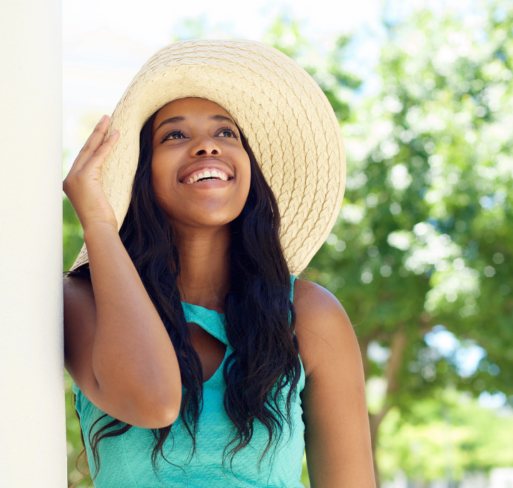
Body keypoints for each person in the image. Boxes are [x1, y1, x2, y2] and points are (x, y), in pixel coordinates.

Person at [62, 40, 375, 487]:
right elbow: (154, 403)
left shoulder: (309, 316)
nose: (208, 146)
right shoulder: (81, 300)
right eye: (175, 135)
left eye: (225, 133)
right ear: (139, 172)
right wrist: (98, 222)